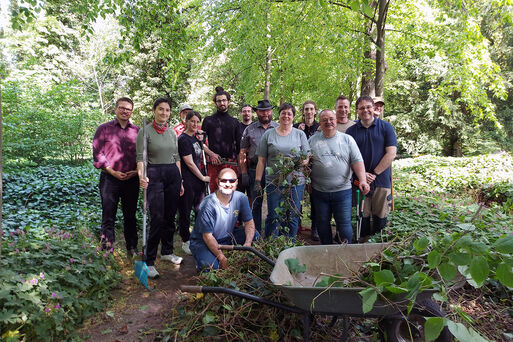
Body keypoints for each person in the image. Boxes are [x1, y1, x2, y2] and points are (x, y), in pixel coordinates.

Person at [137, 98, 185, 279]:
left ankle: (167, 251)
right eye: (160, 109)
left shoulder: (172, 133)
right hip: (154, 175)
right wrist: (142, 176)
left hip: (172, 174)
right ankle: (149, 261)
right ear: (154, 110)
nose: (164, 113)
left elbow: (177, 157)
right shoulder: (145, 131)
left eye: (167, 110)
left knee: (170, 216)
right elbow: (140, 159)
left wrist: (180, 180)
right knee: (156, 218)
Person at [309, 109, 370, 244]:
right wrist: (307, 183)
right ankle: (326, 251)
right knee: (322, 223)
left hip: (343, 191)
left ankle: (346, 252)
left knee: (344, 225)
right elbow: (306, 165)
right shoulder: (311, 141)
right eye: (324, 120)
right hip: (319, 192)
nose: (328, 122)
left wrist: (363, 180)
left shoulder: (347, 140)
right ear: (319, 123)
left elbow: (357, 161)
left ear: (336, 120)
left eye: (331, 119)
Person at [346, 96, 397, 242]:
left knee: (380, 217)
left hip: (381, 181)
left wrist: (374, 173)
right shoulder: (351, 132)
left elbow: (391, 153)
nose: (365, 110)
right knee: (363, 216)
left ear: (373, 108)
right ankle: (362, 249)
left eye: (368, 107)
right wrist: (362, 176)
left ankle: (378, 251)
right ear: (357, 111)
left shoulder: (386, 127)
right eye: (361, 108)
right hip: (359, 183)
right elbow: (348, 157)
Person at [255, 103, 310, 238]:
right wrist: (257, 180)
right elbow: (261, 160)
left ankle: (289, 243)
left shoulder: (300, 134)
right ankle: (271, 242)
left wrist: (301, 161)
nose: (286, 116)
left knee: (292, 214)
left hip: (295, 182)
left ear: (293, 117)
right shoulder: (269, 134)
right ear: (278, 115)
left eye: (289, 114)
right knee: (274, 214)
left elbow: (307, 156)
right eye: (283, 113)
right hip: (274, 182)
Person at [93, 97, 140, 255]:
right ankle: (107, 248)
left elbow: (143, 155)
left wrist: (136, 172)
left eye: (128, 109)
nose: (125, 111)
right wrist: (112, 171)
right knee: (108, 215)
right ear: (115, 109)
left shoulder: (137, 131)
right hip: (110, 180)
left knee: (130, 215)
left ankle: (132, 247)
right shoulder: (104, 129)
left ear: (131, 111)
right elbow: (98, 154)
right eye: (122, 108)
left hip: (131, 180)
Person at [189, 168, 259, 271]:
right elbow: (207, 237)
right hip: (203, 241)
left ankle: (224, 253)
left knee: (255, 236)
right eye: (223, 180)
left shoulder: (241, 198)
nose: (227, 184)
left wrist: (247, 245)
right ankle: (202, 258)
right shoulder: (208, 204)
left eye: (231, 181)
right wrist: (222, 258)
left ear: (236, 183)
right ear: (217, 182)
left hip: (227, 237)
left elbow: (249, 223)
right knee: (212, 268)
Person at [239, 100, 278, 233]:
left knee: (275, 203)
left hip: (275, 172)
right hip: (254, 170)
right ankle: (254, 233)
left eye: (268, 110)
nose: (265, 113)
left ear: (272, 111)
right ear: (257, 112)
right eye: (262, 111)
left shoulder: (279, 128)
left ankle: (272, 233)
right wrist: (244, 172)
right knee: (256, 203)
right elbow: (242, 152)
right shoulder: (249, 129)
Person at [177, 111, 210, 255]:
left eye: (197, 122)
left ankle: (197, 237)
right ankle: (185, 240)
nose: (195, 124)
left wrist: (211, 152)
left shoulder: (195, 138)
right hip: (188, 180)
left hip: (198, 180)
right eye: (192, 121)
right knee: (185, 211)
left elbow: (202, 150)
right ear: (186, 121)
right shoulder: (183, 139)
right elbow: (189, 163)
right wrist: (203, 178)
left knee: (199, 210)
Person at [202, 86, 242, 193]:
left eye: (224, 100)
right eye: (219, 101)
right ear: (215, 103)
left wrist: (240, 167)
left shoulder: (235, 122)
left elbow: (239, 147)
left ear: (228, 102)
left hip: (231, 164)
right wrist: (211, 154)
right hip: (214, 164)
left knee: (230, 194)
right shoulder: (208, 120)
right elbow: (200, 142)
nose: (221, 103)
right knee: (215, 195)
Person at [293, 100, 320, 240]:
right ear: (303, 112)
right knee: (297, 196)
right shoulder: (296, 127)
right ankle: (297, 225)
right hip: (299, 167)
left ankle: (314, 227)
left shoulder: (320, 127)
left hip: (316, 167)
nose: (309, 112)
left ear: (315, 111)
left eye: (311, 109)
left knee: (314, 198)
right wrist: (300, 132)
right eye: (306, 109)